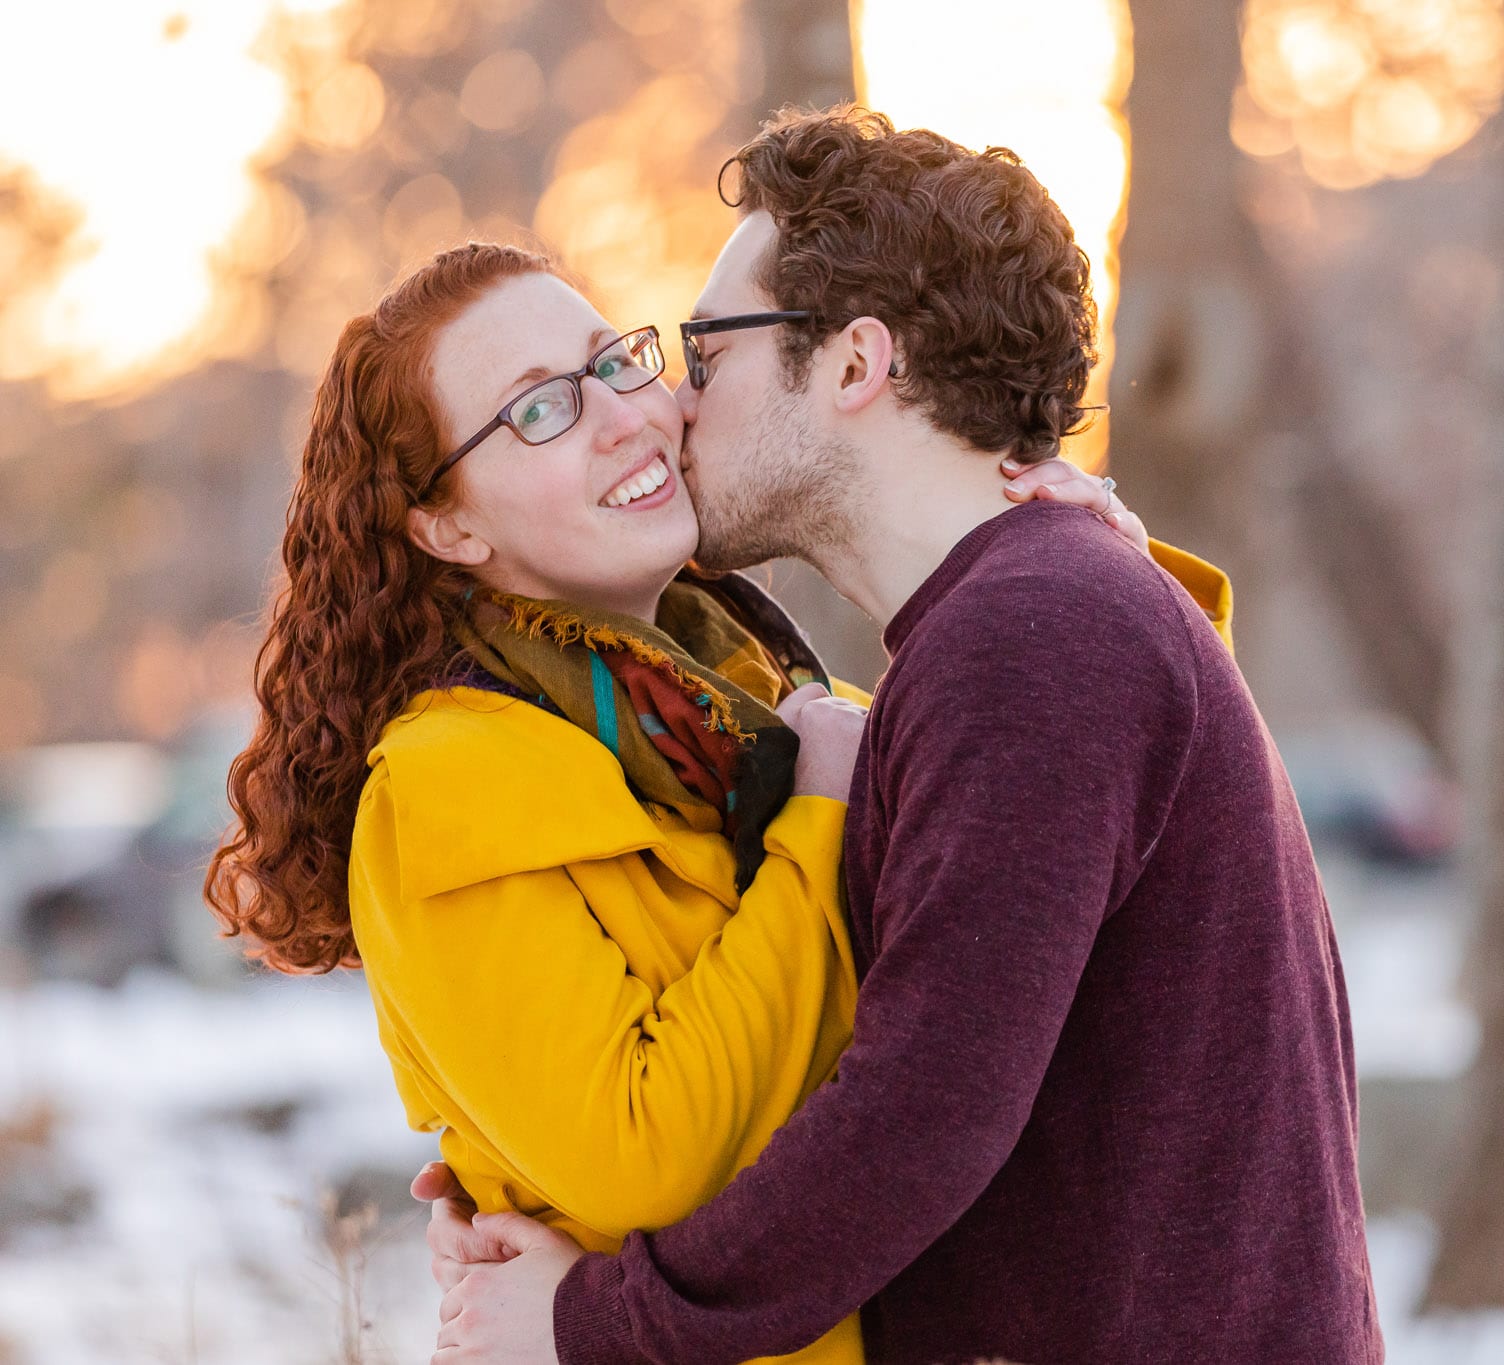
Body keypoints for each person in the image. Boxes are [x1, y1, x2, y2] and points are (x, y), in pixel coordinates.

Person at [427, 107, 1384, 1365]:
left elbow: (920, 1113)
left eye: (707, 352)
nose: (672, 403)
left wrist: (591, 1325)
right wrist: (520, 1173)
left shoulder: (1036, 634)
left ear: (853, 365)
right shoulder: (1039, 617)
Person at [202, 235, 1183, 1365]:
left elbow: (1071, 877)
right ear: (448, 526)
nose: (624, 415)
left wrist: (1092, 562)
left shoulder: (776, 704)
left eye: (614, 362)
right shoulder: (445, 785)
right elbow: (643, 1156)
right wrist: (815, 824)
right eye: (538, 413)